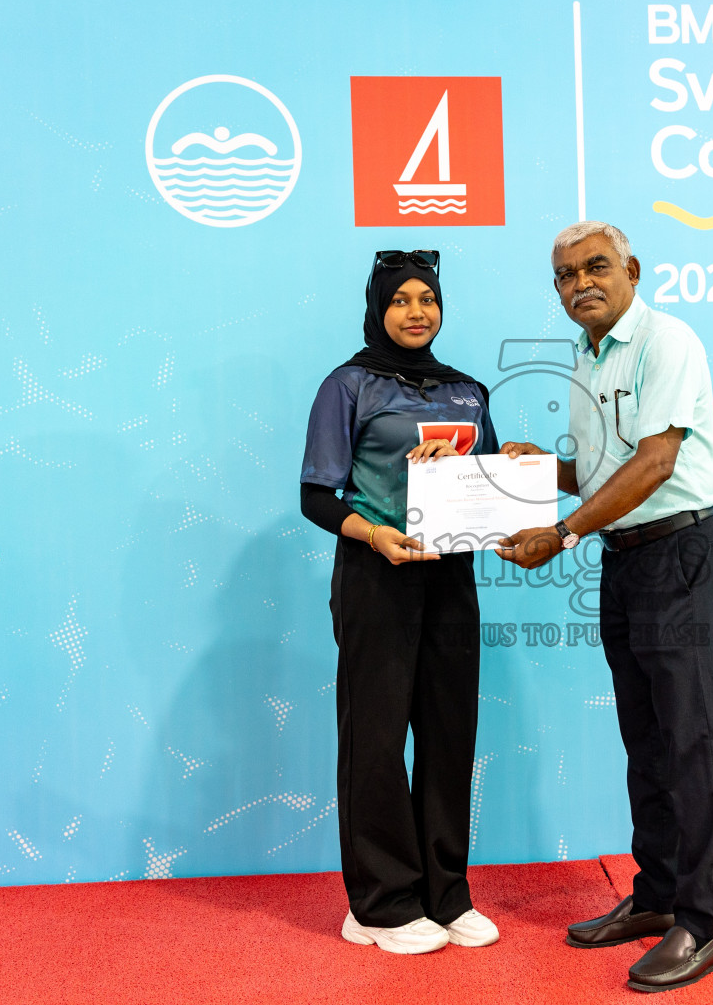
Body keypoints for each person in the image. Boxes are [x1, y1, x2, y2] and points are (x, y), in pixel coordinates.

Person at [498, 221, 713, 992]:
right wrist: (549, 470)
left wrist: (562, 532)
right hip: (625, 557)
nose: (581, 284)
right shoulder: (587, 356)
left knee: (690, 737)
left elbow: (657, 462)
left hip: (680, 550)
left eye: (596, 267)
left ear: (632, 270)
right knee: (646, 737)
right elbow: (606, 470)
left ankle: (702, 923)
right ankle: (657, 896)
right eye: (566, 276)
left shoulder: (667, 341)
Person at [299, 249, 501, 955]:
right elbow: (316, 496)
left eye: (428, 299)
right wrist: (375, 534)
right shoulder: (349, 385)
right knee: (377, 739)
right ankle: (379, 904)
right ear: (377, 308)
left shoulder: (468, 391)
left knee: (450, 735)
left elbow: (489, 486)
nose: (417, 312)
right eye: (401, 300)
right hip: (376, 574)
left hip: (451, 577)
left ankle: (446, 895)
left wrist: (500, 482)